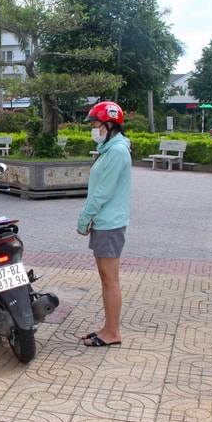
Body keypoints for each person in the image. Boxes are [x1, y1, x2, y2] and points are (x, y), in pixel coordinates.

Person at [76, 101, 131, 348]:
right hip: (104, 221)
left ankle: (113, 332)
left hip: (109, 223)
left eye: (97, 125)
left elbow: (102, 192)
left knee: (110, 279)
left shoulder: (117, 152)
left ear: (110, 126)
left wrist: (84, 217)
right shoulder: (110, 150)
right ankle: (107, 327)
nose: (94, 130)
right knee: (105, 277)